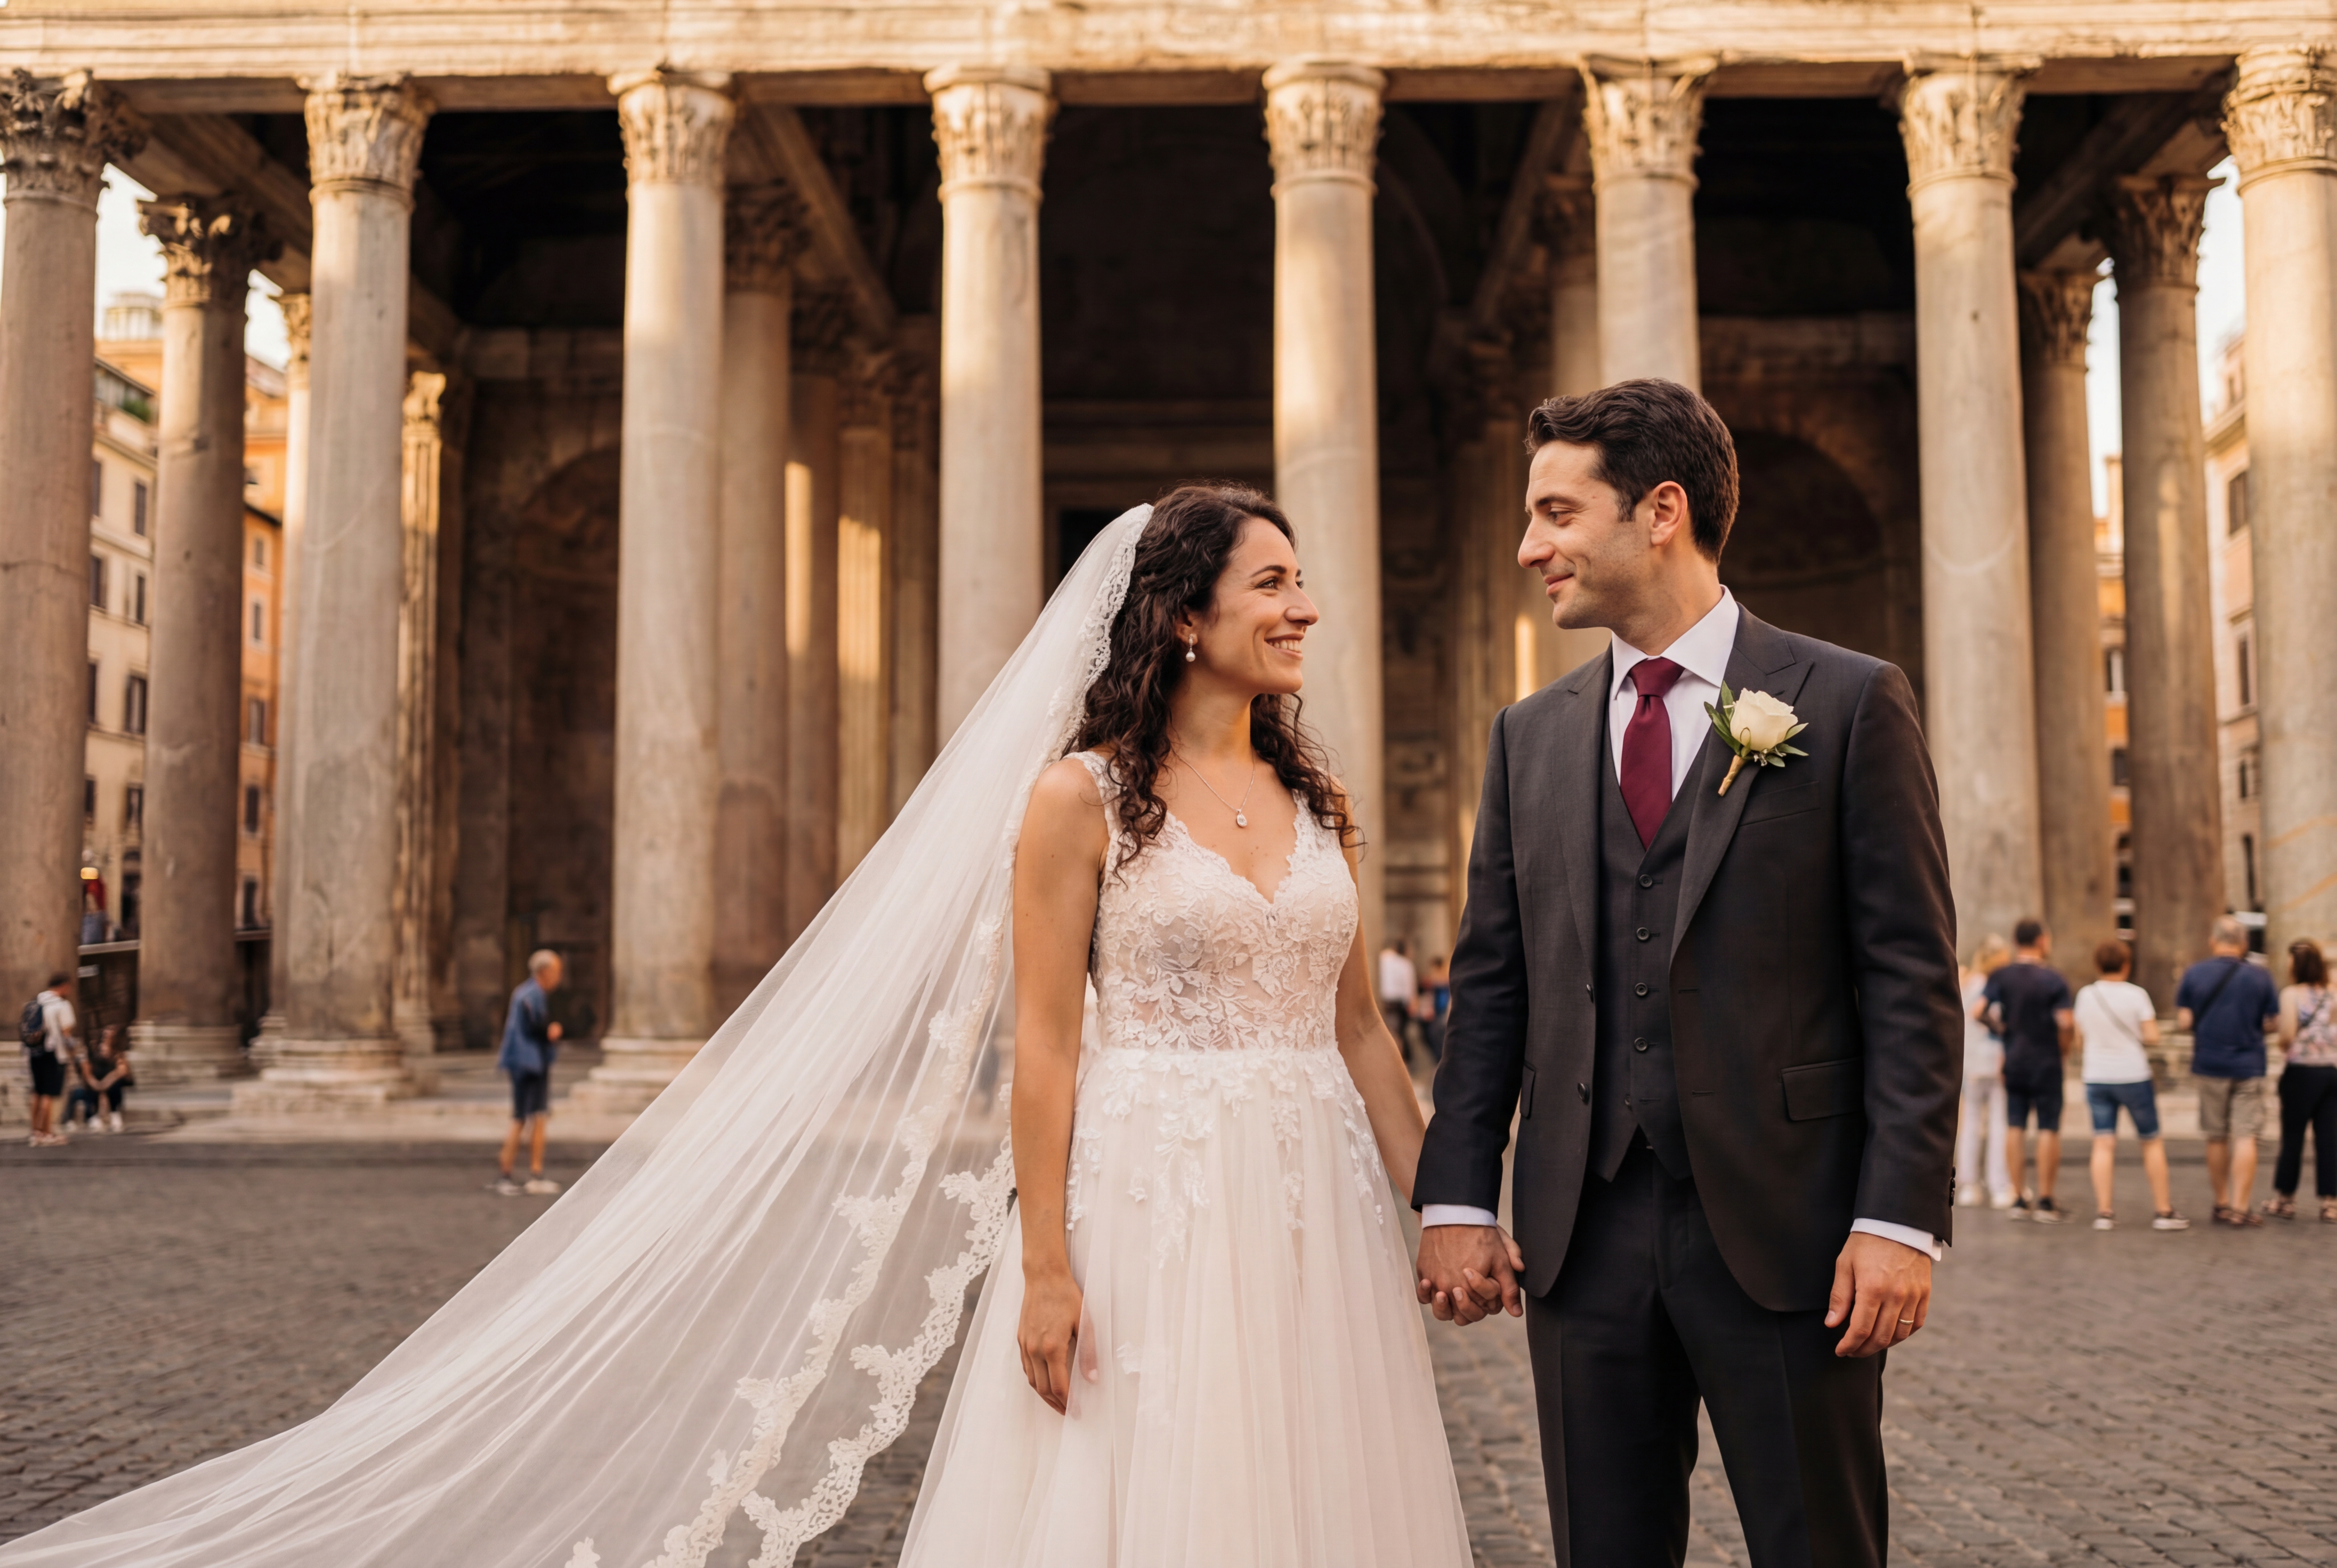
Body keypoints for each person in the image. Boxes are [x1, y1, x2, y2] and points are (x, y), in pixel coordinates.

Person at [0, 497, 1475, 1567]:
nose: (1304, 607)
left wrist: (1448, 1203)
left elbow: (1357, 1034)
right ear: (1182, 614)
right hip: (1155, 1192)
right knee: (1155, 1483)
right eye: (1274, 581)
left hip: (1314, 1202)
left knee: (1316, 1471)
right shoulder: (1074, 799)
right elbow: (1044, 1048)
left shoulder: (1314, 802)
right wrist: (1042, 1264)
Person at [1415, 379, 1961, 1567]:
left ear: (1660, 510)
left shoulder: (1850, 700)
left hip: (1796, 1234)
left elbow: (1910, 978)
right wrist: (1457, 1196)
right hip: (1578, 1234)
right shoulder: (1529, 735)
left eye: (1557, 513)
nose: (1528, 546)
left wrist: (1898, 1217)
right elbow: (1492, 983)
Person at [2073, 940, 2186, 1231]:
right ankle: (2163, 1211)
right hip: (2133, 1075)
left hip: (2097, 1075)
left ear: (2097, 965)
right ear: (2127, 965)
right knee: (2150, 1141)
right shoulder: (2137, 995)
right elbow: (2152, 1036)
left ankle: (2104, 1213)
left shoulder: (2086, 996)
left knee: (2103, 1142)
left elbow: (2079, 1039)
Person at [2176, 915, 2281, 1226]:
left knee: (2216, 1136)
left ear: (2213, 941)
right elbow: (2273, 1023)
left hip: (2209, 1064)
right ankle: (2241, 1207)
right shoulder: (2261, 976)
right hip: (2249, 1064)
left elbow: (2183, 1022)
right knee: (2246, 1135)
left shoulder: (2194, 974)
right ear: (2244, 944)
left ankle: (2221, 1203)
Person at [1983, 919, 2077, 1222]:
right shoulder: (2053, 979)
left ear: (2015, 941)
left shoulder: (2002, 976)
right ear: (2042, 941)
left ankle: (2018, 1198)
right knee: (2048, 1127)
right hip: (2047, 1059)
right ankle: (2046, 1201)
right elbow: (2065, 1022)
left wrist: (2004, 1031)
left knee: (2015, 1125)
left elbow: (1978, 1012)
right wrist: (2064, 1049)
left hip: (2015, 1059)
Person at [2265, 937, 2337, 1223]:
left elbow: (2287, 1035)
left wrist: (2285, 1045)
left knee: (2293, 1136)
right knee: (2329, 1139)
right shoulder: (2333, 994)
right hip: (2331, 1072)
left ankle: (2286, 1200)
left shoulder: (2291, 995)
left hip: (2301, 1071)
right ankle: (2330, 1203)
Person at [494, 950, 564, 1197]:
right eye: (557, 971)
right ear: (545, 972)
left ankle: (518, 1172)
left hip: (525, 1062)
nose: (559, 977)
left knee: (527, 1117)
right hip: (529, 1063)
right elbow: (534, 1028)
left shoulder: (526, 992)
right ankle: (521, 1174)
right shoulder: (532, 994)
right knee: (527, 1117)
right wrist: (551, 1031)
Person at [1958, 934, 2016, 1208]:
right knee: (1998, 1124)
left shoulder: (1967, 983)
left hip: (1970, 1064)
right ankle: (2000, 1185)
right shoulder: (1997, 987)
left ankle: (1969, 1184)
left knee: (1970, 1124)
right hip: (1995, 1062)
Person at [20, 972, 75, 1148]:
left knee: (36, 1091)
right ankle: (46, 1132)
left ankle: (35, 1131)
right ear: (64, 986)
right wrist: (74, 1054)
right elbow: (67, 1035)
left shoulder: (36, 1003)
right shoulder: (62, 1005)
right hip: (53, 1053)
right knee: (49, 1093)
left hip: (34, 1052)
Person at [63, 1023, 131, 1134]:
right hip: (94, 1081)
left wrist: (105, 1084)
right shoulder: (93, 1051)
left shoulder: (118, 1054)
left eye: (111, 1033)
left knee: (115, 1087)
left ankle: (115, 1115)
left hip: (110, 1082)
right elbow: (86, 1069)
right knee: (81, 1092)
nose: (107, 1035)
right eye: (106, 1032)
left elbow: (122, 1071)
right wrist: (95, 1083)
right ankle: (91, 1117)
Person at [1377, 936, 1419, 1060]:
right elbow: (1410, 988)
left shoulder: (1385, 958)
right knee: (1400, 1034)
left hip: (1388, 1001)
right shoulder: (1407, 964)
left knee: (1394, 1033)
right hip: (1401, 1003)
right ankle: (1403, 1061)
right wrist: (1412, 1004)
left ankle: (1399, 1060)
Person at [1419, 954, 1452, 1066]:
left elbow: (1443, 981)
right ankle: (1439, 1060)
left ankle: (1441, 1060)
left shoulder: (1445, 975)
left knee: (1436, 1033)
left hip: (1444, 1014)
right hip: (1437, 1013)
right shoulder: (1436, 979)